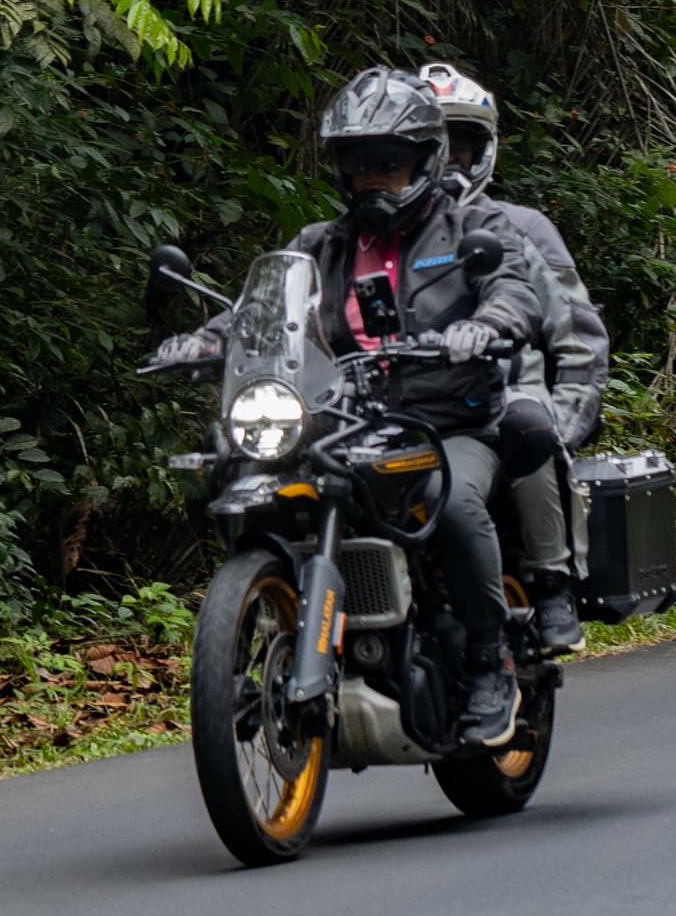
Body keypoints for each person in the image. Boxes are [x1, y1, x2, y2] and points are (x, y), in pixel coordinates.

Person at [154, 67, 548, 744]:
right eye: (359, 164)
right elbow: (258, 313)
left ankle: (492, 662)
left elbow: (515, 289)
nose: (371, 179)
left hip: (449, 421)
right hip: (343, 423)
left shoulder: (471, 226)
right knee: (239, 469)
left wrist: (486, 325)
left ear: (425, 160)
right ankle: (264, 629)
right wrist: (204, 340)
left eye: (387, 164)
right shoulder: (321, 244)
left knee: (454, 504)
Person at [421, 61, 610, 658]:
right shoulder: (372, 239)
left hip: (505, 395)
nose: (449, 161)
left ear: (484, 150)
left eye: (461, 145)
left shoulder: (521, 227)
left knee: (528, 422)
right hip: (404, 403)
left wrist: (565, 428)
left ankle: (553, 584)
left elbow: (580, 339)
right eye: (434, 146)